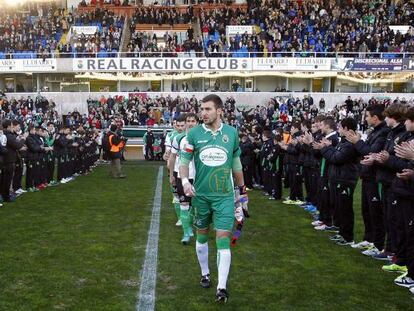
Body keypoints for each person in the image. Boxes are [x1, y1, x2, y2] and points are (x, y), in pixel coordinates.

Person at [179, 94, 248, 303]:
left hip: (224, 197)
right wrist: (184, 181)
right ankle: (205, 273)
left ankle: (221, 287)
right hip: (201, 196)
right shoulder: (193, 135)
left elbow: (236, 164)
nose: (203, 113)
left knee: (223, 239)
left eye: (208, 109)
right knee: (201, 236)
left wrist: (242, 193)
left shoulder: (231, 133)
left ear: (219, 111)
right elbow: (184, 160)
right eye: (202, 109)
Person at [344, 104, 389, 255]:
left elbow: (370, 153)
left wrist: (357, 141)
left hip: (375, 178)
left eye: (367, 116)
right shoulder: (374, 131)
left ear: (375, 118)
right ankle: (369, 239)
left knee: (376, 212)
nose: (365, 118)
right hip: (367, 176)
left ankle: (377, 245)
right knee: (366, 210)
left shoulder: (383, 133)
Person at [169, 113, 198, 244]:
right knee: (184, 204)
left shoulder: (202, 139)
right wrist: (171, 175)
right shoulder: (179, 138)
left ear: (197, 123)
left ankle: (191, 227)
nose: (190, 123)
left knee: (195, 206)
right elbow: (173, 157)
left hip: (198, 178)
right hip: (183, 177)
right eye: (188, 121)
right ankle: (186, 233)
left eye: (193, 121)